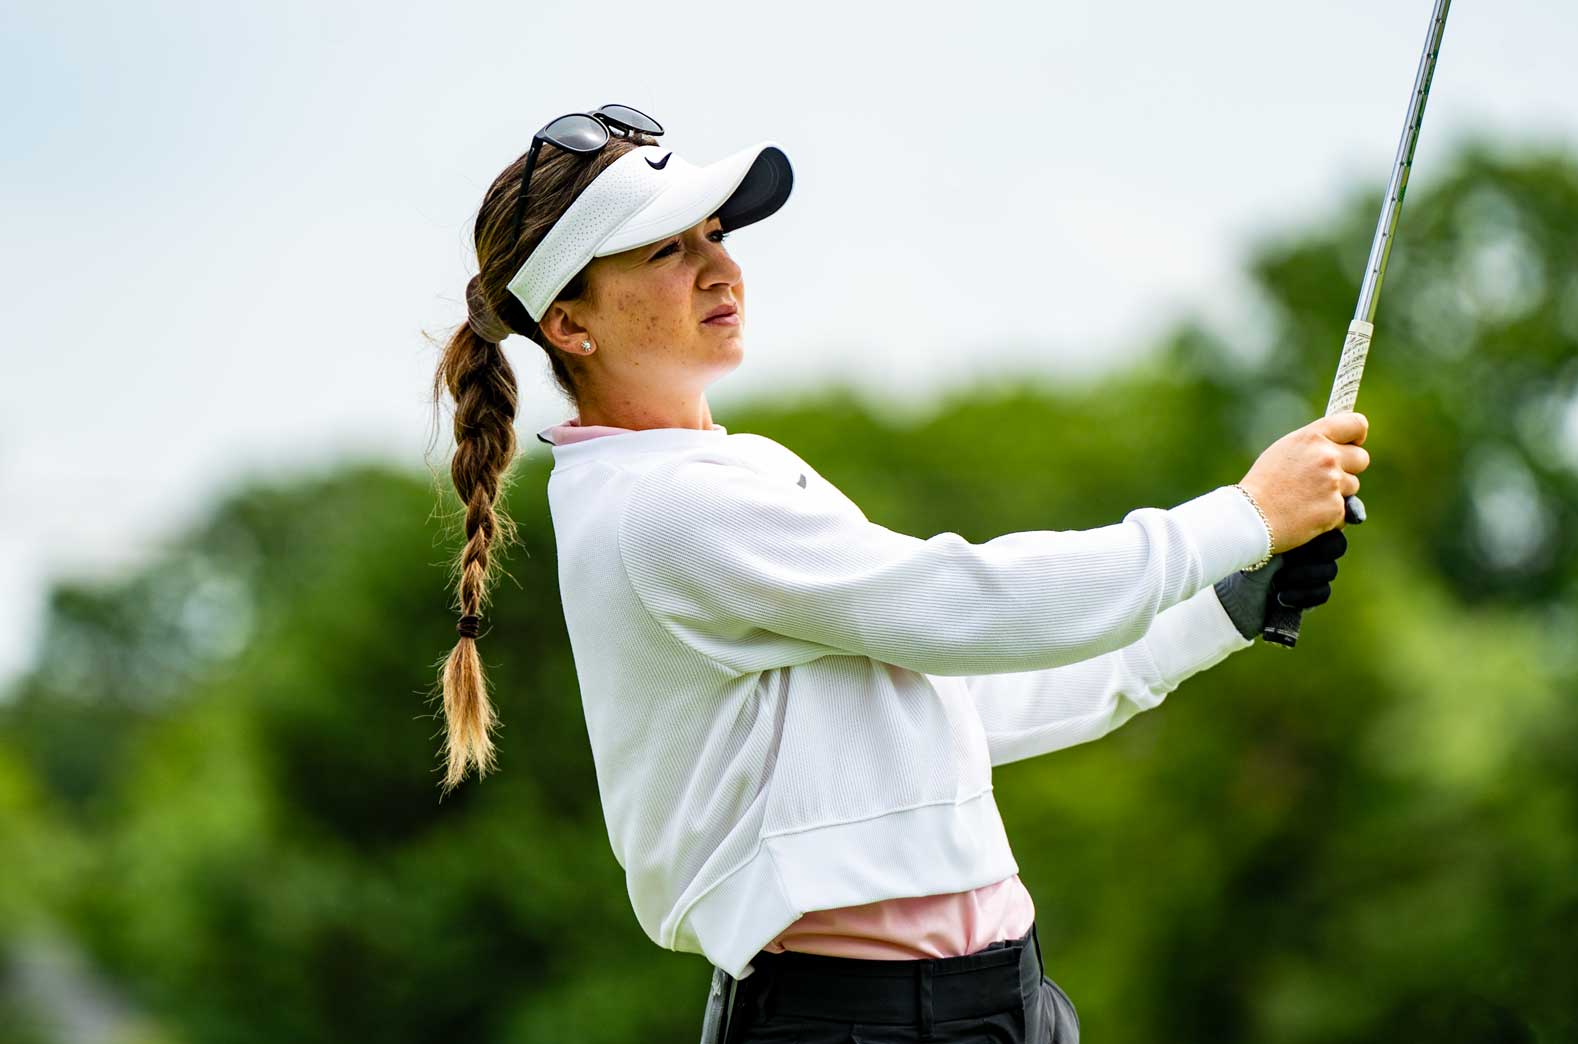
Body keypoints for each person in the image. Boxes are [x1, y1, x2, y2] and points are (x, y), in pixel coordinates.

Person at [429, 104, 1370, 1044]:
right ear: (569, 323)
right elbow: (965, 607)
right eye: (666, 251)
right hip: (857, 1022)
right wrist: (1244, 515)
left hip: (999, 1000)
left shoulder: (721, 473)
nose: (722, 268)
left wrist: (1217, 611)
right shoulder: (665, 506)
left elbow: (942, 712)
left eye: (713, 235)